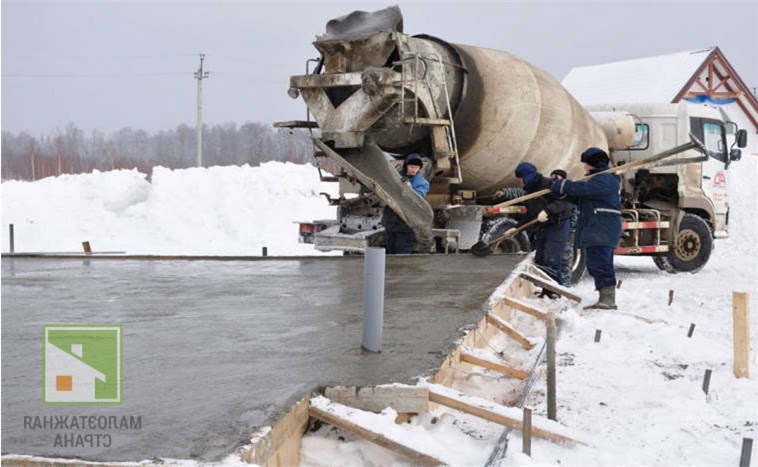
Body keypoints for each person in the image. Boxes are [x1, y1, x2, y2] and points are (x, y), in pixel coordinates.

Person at [551, 147, 621, 310]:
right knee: (596, 263)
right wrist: (562, 192)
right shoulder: (601, 179)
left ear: (592, 164)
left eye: (585, 164)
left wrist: (562, 185)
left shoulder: (604, 179)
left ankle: (608, 299)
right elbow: (582, 197)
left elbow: (582, 189)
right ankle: (605, 297)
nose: (584, 167)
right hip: (599, 227)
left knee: (601, 263)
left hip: (602, 228)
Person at [505, 162, 573, 289]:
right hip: (544, 227)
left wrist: (548, 210)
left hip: (558, 225)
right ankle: (544, 290)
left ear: (527, 176)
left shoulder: (548, 184)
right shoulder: (529, 192)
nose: (520, 182)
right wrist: (517, 228)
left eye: (521, 178)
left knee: (552, 259)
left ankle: (554, 292)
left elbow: (565, 200)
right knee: (540, 259)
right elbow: (530, 216)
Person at [381, 153, 430, 254]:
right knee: (390, 250)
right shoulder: (397, 177)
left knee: (402, 251)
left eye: (416, 167)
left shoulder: (421, 182)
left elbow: (418, 198)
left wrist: (408, 188)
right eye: (411, 167)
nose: (413, 169)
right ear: (406, 166)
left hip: (406, 223)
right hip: (391, 221)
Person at [549, 169, 580, 286]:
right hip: (559, 228)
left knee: (565, 257)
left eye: (555, 177)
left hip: (568, 230)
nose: (552, 179)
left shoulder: (568, 191)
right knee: (556, 256)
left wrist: (571, 229)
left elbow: (574, 211)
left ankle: (565, 283)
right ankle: (558, 282)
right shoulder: (555, 190)